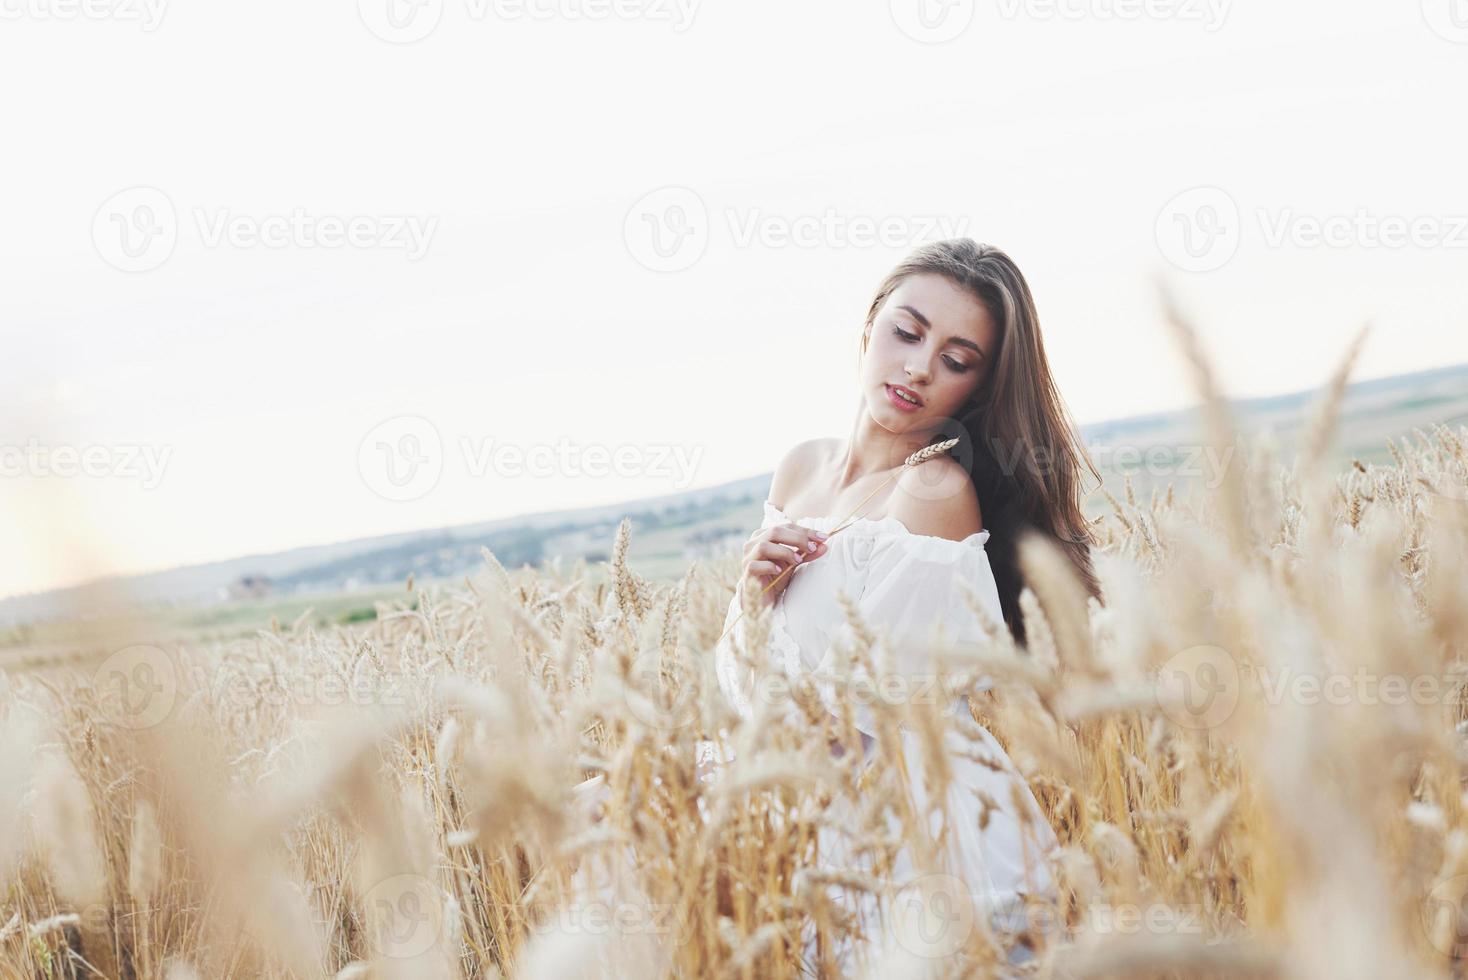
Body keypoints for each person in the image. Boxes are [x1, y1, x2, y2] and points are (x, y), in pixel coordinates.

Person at [707, 238, 1104, 969]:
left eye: (956, 360)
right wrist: (751, 597)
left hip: (900, 836)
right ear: (869, 328)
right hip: (796, 800)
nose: (920, 367)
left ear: (976, 391)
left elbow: (851, 722)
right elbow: (743, 688)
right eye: (907, 332)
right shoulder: (800, 466)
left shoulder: (934, 494)